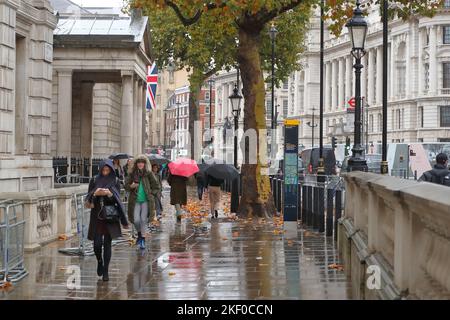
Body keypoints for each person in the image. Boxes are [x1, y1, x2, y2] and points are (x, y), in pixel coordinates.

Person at [85, 159, 128, 282]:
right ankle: (99, 261)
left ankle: (106, 271)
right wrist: (95, 194)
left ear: (110, 170)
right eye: (103, 170)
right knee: (97, 245)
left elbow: (118, 199)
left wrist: (110, 194)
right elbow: (88, 199)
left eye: (107, 170)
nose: (105, 172)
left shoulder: (115, 181)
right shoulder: (94, 180)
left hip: (110, 217)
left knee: (107, 244)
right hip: (97, 217)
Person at [124, 155, 160, 249]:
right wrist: (131, 186)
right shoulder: (132, 174)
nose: (140, 164)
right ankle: (140, 234)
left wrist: (151, 193)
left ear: (144, 164)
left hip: (146, 201)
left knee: (143, 219)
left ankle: (142, 239)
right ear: (136, 164)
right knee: (136, 220)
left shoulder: (148, 173)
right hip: (135, 200)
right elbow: (126, 186)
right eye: (139, 162)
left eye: (142, 162)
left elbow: (157, 186)